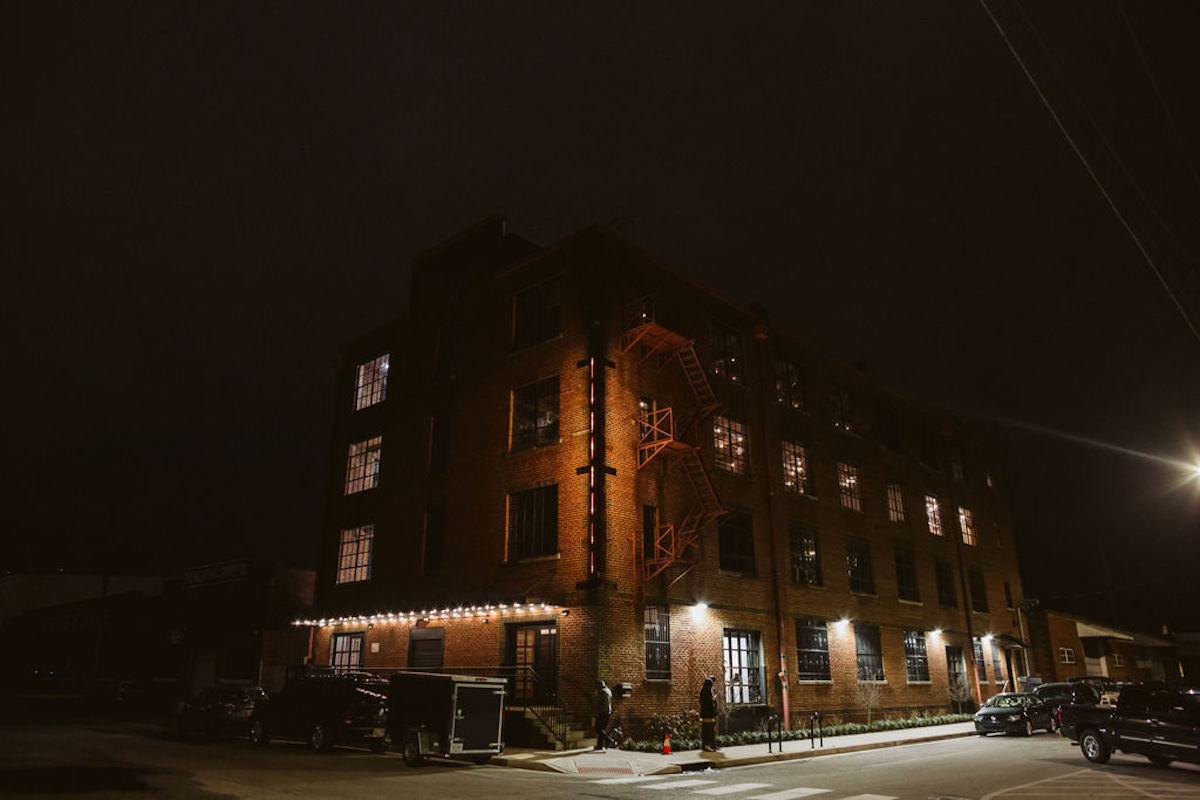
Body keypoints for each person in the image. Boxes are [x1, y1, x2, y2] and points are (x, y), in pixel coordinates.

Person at [700, 676, 718, 752]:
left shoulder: (703, 691)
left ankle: (707, 745)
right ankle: (708, 745)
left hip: (704, 714)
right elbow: (709, 702)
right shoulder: (707, 692)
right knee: (709, 730)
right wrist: (713, 698)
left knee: (706, 730)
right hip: (709, 714)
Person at [593, 680, 613, 750]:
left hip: (602, 712)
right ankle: (599, 745)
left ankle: (608, 740)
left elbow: (597, 703)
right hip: (608, 712)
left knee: (598, 728)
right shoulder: (609, 691)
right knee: (602, 729)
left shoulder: (601, 692)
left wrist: (595, 695)